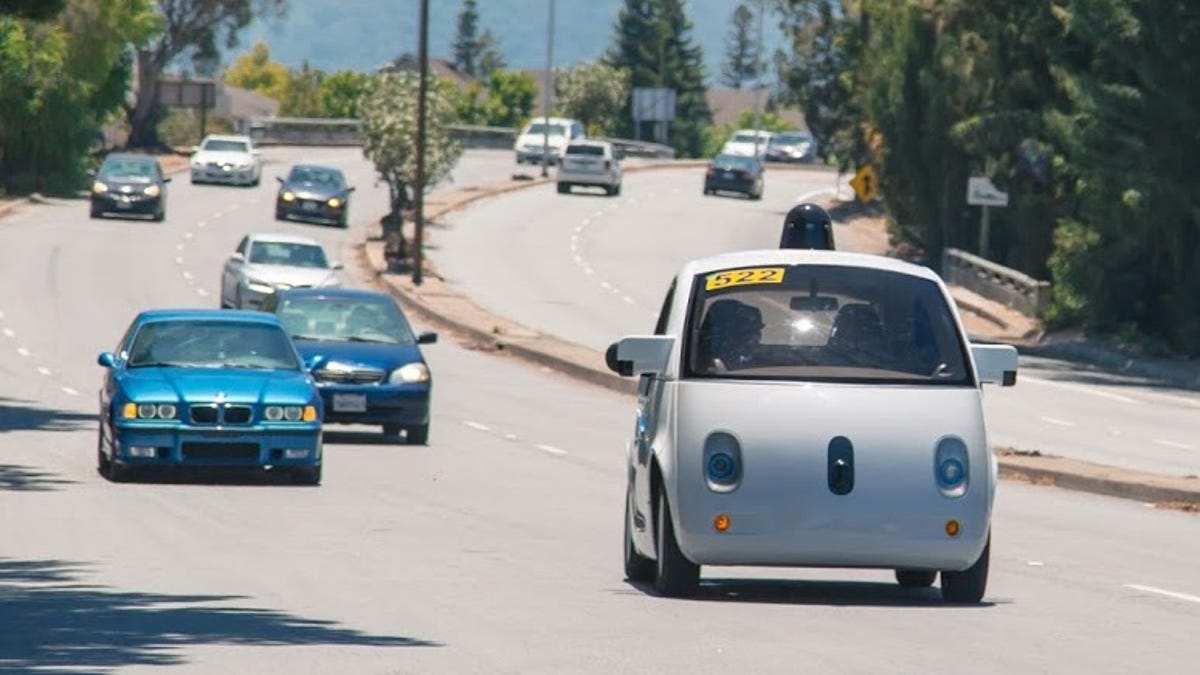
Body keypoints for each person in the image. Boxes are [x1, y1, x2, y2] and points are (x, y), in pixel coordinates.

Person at [697, 299, 764, 372]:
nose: (756, 337)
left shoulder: (758, 359)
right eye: (747, 332)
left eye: (756, 330)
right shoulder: (709, 358)